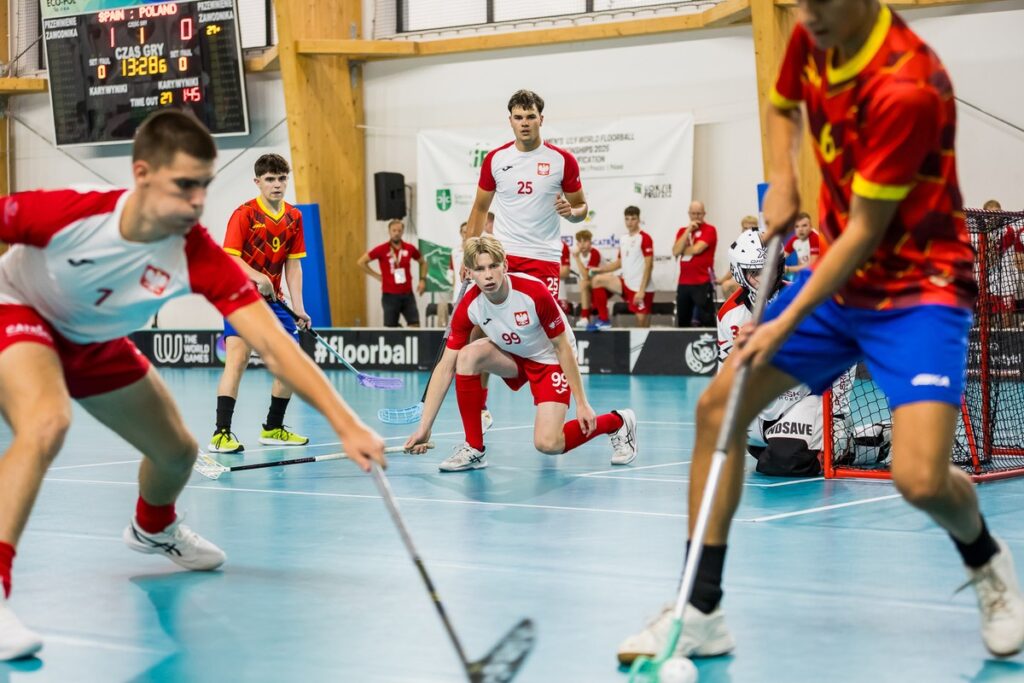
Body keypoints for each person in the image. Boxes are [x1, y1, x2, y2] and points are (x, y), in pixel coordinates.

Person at [618, 0, 1024, 665]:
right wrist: (783, 177)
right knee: (718, 407)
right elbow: (782, 105)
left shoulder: (908, 84)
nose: (808, 15)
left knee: (919, 478)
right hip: (841, 283)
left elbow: (864, 232)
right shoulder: (815, 33)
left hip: (918, 291)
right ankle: (701, 610)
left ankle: (984, 555)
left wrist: (777, 325)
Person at [0, 111, 386, 661]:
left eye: (204, 185)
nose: (197, 200)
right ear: (141, 174)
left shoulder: (196, 252)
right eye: (184, 185)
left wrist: (346, 424)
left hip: (96, 339)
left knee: (178, 452)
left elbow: (275, 344)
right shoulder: (72, 211)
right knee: (46, 422)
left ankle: (153, 527)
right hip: (20, 309)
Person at [403, 235, 637, 471]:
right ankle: (474, 448)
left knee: (548, 443)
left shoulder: (533, 292)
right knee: (466, 356)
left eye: (493, 266)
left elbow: (562, 347)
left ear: (505, 265)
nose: (488, 275)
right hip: (515, 354)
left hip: (550, 359)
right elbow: (445, 367)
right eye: (480, 269)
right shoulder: (470, 305)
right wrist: (424, 427)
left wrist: (582, 403)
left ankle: (617, 422)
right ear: (469, 273)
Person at [208, 153, 311, 454]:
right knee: (237, 359)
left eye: (281, 178)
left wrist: (299, 307)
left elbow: (293, 266)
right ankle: (221, 434)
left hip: (272, 300)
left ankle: (273, 428)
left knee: (290, 363)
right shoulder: (245, 214)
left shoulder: (294, 217)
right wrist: (258, 277)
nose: (277, 185)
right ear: (258, 182)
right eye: (270, 179)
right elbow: (229, 257)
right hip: (238, 297)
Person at [717, 230, 830, 476]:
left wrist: (836, 413)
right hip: (762, 406)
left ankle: (869, 439)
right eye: (756, 273)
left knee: (784, 461)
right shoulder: (728, 316)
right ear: (740, 273)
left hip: (804, 398)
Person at [466, 89, 589, 301]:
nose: (524, 123)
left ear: (541, 119)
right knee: (491, 324)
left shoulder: (562, 160)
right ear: (510, 121)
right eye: (518, 117)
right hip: (503, 257)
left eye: (531, 117)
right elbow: (480, 208)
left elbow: (581, 207)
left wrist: (572, 213)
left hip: (544, 256)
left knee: (541, 328)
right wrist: (469, 259)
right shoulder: (495, 159)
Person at [588, 206, 655, 329]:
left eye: (633, 219)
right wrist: (600, 270)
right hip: (626, 283)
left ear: (639, 219)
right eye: (627, 219)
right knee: (597, 280)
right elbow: (619, 262)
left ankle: (643, 348)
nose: (630, 222)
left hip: (640, 288)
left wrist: (641, 290)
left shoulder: (645, 238)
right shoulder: (624, 239)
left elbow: (649, 265)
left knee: (641, 324)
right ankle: (604, 319)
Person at [358, 219, 427, 327]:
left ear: (402, 232)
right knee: (391, 330)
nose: (396, 233)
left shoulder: (409, 248)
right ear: (389, 231)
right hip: (389, 295)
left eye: (399, 230)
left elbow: (423, 263)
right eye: (394, 230)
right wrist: (377, 276)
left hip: (407, 294)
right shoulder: (382, 249)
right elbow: (361, 262)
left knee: (415, 326)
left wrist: (422, 280)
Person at [672, 200, 717, 327]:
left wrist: (683, 250)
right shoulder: (682, 231)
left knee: (706, 319)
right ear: (689, 214)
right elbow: (675, 251)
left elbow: (697, 249)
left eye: (699, 214)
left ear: (704, 213)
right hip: (684, 282)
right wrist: (688, 231)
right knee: (683, 320)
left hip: (702, 281)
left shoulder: (710, 229)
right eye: (693, 214)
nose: (696, 217)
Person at [716, 215, 760, 298]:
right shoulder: (740, 246)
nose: (747, 231)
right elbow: (733, 268)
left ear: (756, 229)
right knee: (726, 286)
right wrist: (721, 280)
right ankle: (736, 309)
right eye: (745, 228)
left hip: (758, 281)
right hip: (744, 281)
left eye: (750, 228)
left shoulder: (762, 244)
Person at [572, 229, 607, 329]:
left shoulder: (594, 253)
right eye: (580, 242)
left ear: (590, 242)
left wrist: (577, 258)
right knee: (584, 284)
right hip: (592, 286)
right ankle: (585, 318)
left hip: (604, 286)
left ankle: (585, 317)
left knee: (584, 283)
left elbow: (587, 276)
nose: (582, 245)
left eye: (585, 241)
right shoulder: (577, 255)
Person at [782, 211, 821, 277]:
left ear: (811, 227)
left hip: (820, 274)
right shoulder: (794, 240)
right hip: (807, 275)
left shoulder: (815, 237)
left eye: (804, 226)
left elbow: (812, 264)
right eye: (797, 226)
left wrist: (788, 269)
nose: (800, 229)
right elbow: (781, 257)